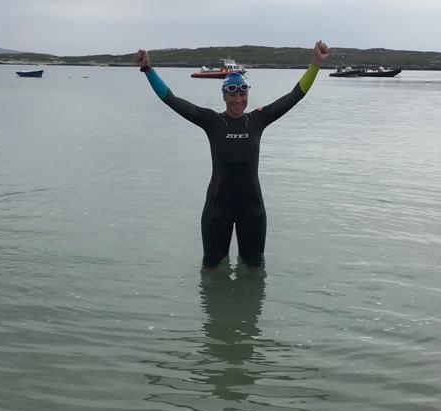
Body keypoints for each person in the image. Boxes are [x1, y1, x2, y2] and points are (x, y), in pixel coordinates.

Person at [134, 40, 329, 271]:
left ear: (247, 94)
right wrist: (147, 69)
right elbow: (171, 99)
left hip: (252, 211)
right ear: (224, 96)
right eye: (232, 94)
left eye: (242, 93)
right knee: (210, 271)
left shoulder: (257, 120)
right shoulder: (212, 122)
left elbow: (295, 95)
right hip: (217, 211)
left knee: (255, 272)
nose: (238, 100)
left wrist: (316, 64)